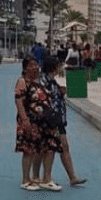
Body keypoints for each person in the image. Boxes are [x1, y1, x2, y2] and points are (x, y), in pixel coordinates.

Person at [32, 57, 86, 187]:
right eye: (58, 66)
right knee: (48, 148)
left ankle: (70, 177)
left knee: (62, 147)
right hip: (50, 119)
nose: (60, 68)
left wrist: (60, 91)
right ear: (53, 67)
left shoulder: (50, 80)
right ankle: (44, 177)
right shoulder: (45, 81)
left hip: (57, 119)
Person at [14, 57, 63, 191]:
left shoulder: (40, 81)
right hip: (30, 121)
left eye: (36, 64)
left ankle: (46, 178)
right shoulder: (22, 82)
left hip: (45, 122)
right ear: (25, 68)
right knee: (29, 149)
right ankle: (26, 179)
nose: (35, 67)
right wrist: (25, 120)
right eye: (31, 65)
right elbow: (19, 101)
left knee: (50, 146)